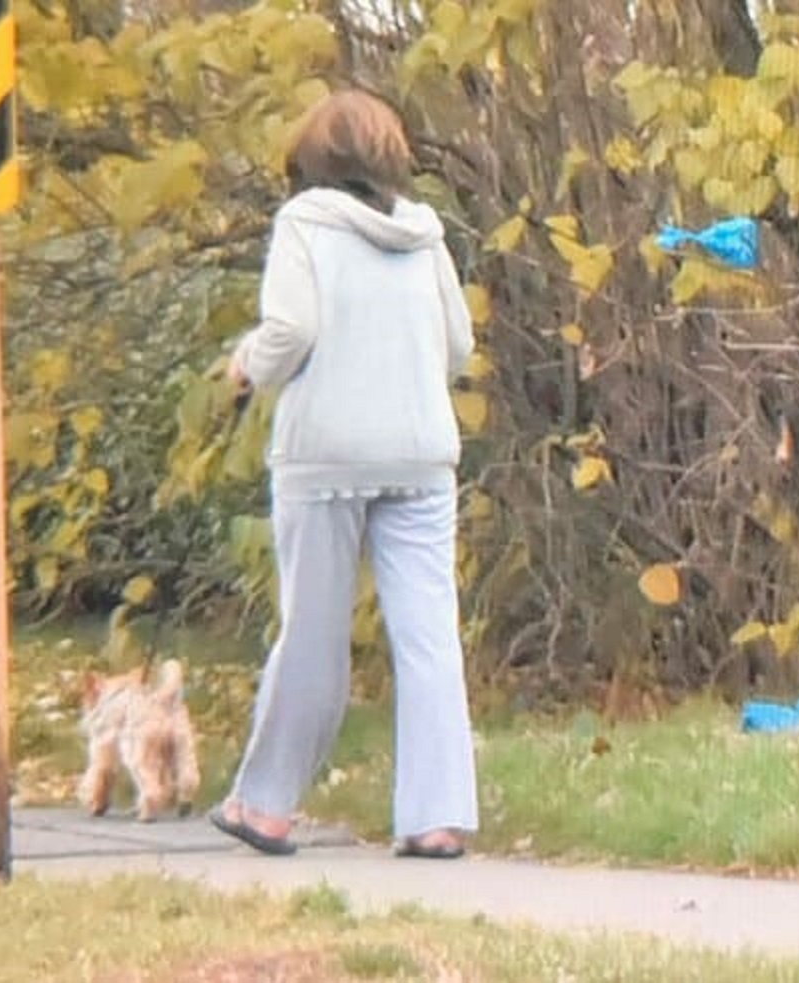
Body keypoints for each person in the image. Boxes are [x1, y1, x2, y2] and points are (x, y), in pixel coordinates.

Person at [209, 88, 479, 859]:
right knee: (429, 634)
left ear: (311, 161)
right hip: (422, 452)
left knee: (314, 632)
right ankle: (435, 817)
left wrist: (247, 367)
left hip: (325, 451)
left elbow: (291, 327)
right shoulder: (425, 233)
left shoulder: (303, 224)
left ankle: (264, 808)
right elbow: (458, 346)